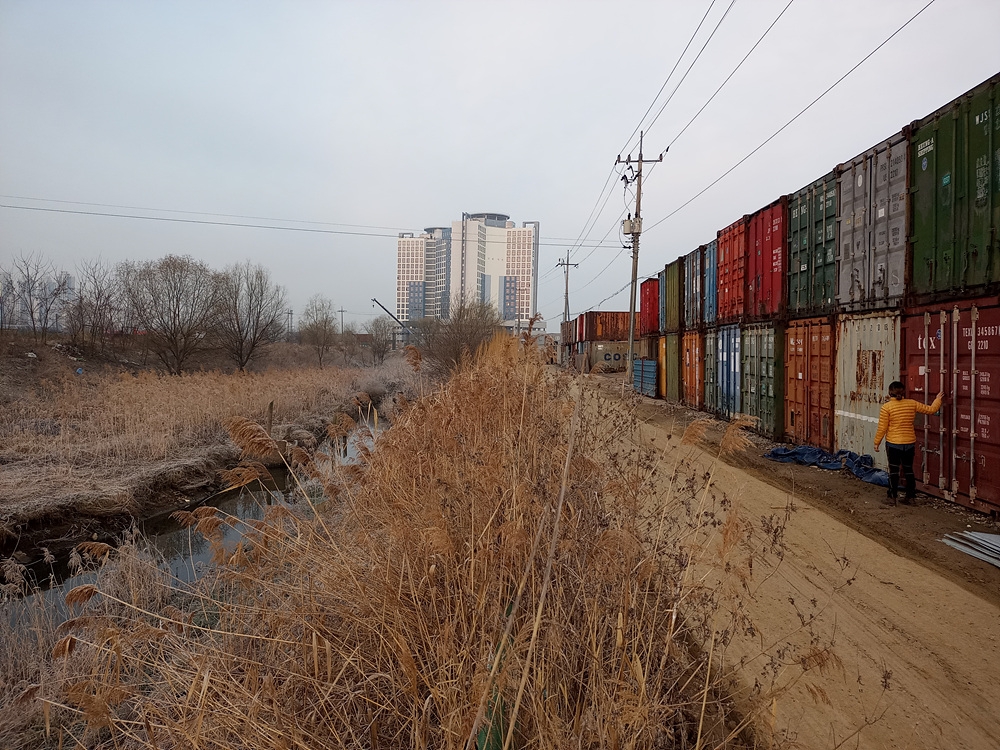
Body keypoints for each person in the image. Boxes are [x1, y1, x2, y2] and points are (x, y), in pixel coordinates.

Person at [873, 382, 943, 504]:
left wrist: (876, 442)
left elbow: (882, 428)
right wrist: (937, 399)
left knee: (894, 471)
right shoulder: (912, 404)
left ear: (890, 393)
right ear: (903, 392)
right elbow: (931, 410)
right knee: (908, 470)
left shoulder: (887, 407)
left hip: (893, 444)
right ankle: (911, 497)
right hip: (909, 443)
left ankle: (892, 497)